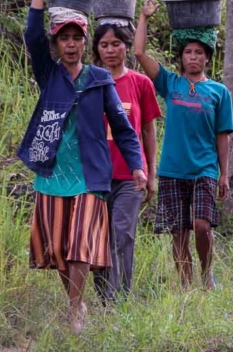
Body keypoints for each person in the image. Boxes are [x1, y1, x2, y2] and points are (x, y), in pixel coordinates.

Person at [18, 0, 146, 333]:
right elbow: (31, 35)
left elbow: (123, 129)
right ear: (57, 43)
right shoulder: (49, 74)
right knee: (56, 248)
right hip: (54, 169)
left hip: (90, 175)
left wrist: (137, 164)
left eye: (76, 38)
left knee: (79, 245)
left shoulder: (98, 78)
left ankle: (74, 312)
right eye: (64, 39)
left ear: (84, 41)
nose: (70, 45)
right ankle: (78, 303)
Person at [134, 0, 233, 289]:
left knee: (202, 225)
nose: (193, 57)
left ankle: (206, 275)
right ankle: (187, 286)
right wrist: (145, 17)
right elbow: (139, 53)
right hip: (172, 170)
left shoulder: (219, 92)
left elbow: (222, 135)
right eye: (188, 52)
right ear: (182, 57)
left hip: (204, 169)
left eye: (199, 53)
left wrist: (224, 174)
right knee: (178, 232)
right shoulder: (171, 84)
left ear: (207, 57)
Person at [91, 22, 162, 302]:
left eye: (116, 44)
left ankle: (117, 300)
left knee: (122, 236)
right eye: (104, 45)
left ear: (127, 47)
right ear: (96, 49)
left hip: (131, 177)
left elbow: (148, 130)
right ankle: (102, 297)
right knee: (97, 237)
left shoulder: (140, 83)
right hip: (95, 175)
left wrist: (151, 172)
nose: (110, 50)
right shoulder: (89, 81)